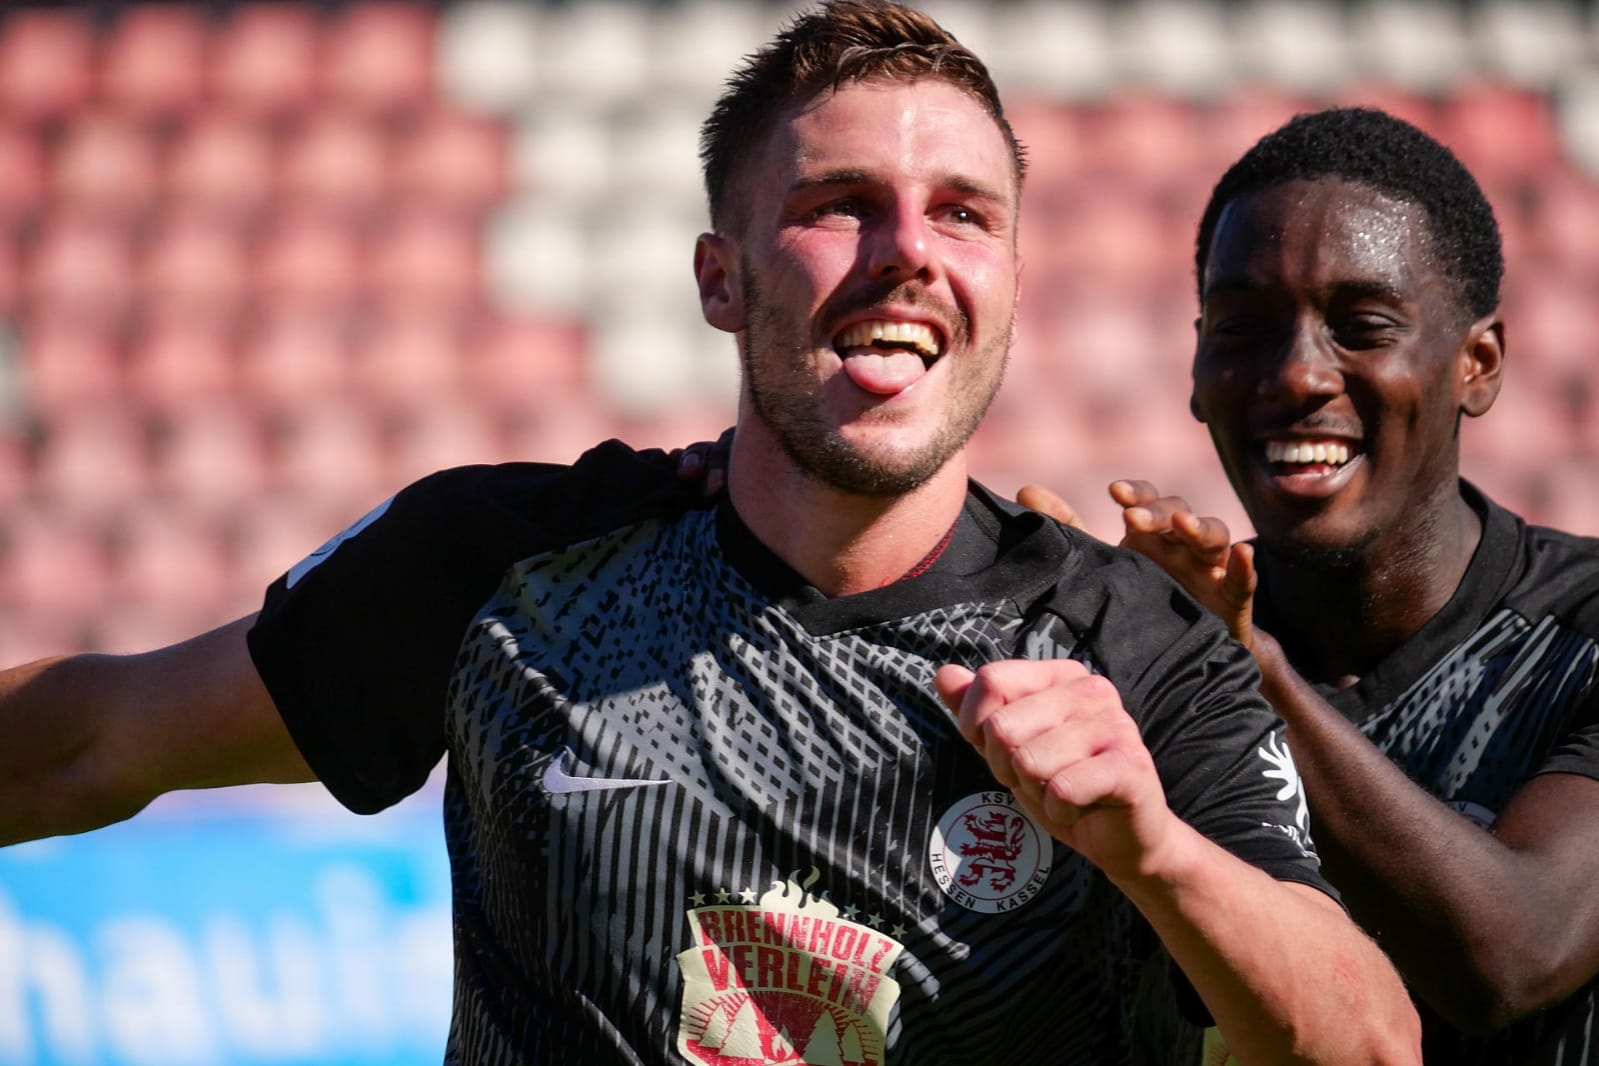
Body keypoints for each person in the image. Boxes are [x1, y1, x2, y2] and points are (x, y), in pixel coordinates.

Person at [0, 6, 1418, 1063]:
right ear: (719, 280)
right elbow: (92, 741)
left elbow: (1369, 1046)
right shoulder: (508, 570)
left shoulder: (1133, 646)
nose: (908, 251)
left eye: (962, 214)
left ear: (1008, 281)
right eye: (838, 206)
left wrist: (1154, 851)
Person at [1021, 105, 1599, 1064]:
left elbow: (1512, 958)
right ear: (1196, 367)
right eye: (1243, 328)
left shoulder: (1579, 633)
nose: (1295, 376)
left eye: (1361, 327)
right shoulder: (1133, 653)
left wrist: (1240, 666)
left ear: (1478, 364)